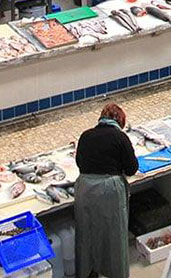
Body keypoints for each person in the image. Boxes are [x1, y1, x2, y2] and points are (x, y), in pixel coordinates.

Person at [74, 103, 138, 278]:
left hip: (85, 190)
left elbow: (80, 163)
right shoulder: (120, 137)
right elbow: (132, 168)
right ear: (120, 121)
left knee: (86, 235)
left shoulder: (85, 136)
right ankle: (115, 273)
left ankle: (88, 272)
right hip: (109, 190)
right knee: (114, 237)